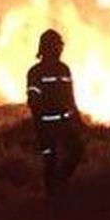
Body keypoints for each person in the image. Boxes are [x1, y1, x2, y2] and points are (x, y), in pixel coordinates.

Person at [26, 28, 84, 194]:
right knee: (50, 159)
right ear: (46, 48)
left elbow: (70, 96)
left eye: (60, 46)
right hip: (45, 126)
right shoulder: (35, 72)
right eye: (56, 46)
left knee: (77, 149)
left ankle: (62, 180)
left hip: (65, 123)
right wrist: (39, 121)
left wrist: (77, 118)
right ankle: (52, 195)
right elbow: (33, 100)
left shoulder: (64, 69)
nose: (59, 49)